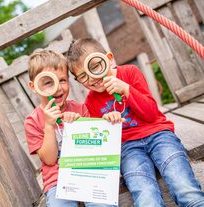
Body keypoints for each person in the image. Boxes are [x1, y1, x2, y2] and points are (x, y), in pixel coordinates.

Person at [66, 37, 204, 207]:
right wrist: (107, 124)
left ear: (108, 59)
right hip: (128, 149)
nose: (92, 78)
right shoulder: (90, 102)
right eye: (82, 76)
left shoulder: (130, 73)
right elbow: (104, 142)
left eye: (94, 67)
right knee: (146, 198)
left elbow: (151, 113)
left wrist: (126, 89)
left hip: (158, 135)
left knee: (184, 187)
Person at [24, 50, 117, 207]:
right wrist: (48, 125)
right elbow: (49, 159)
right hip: (57, 181)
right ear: (34, 87)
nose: (57, 88)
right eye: (48, 82)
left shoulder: (80, 109)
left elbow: (93, 149)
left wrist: (79, 125)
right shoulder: (32, 121)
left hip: (87, 172)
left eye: (62, 80)